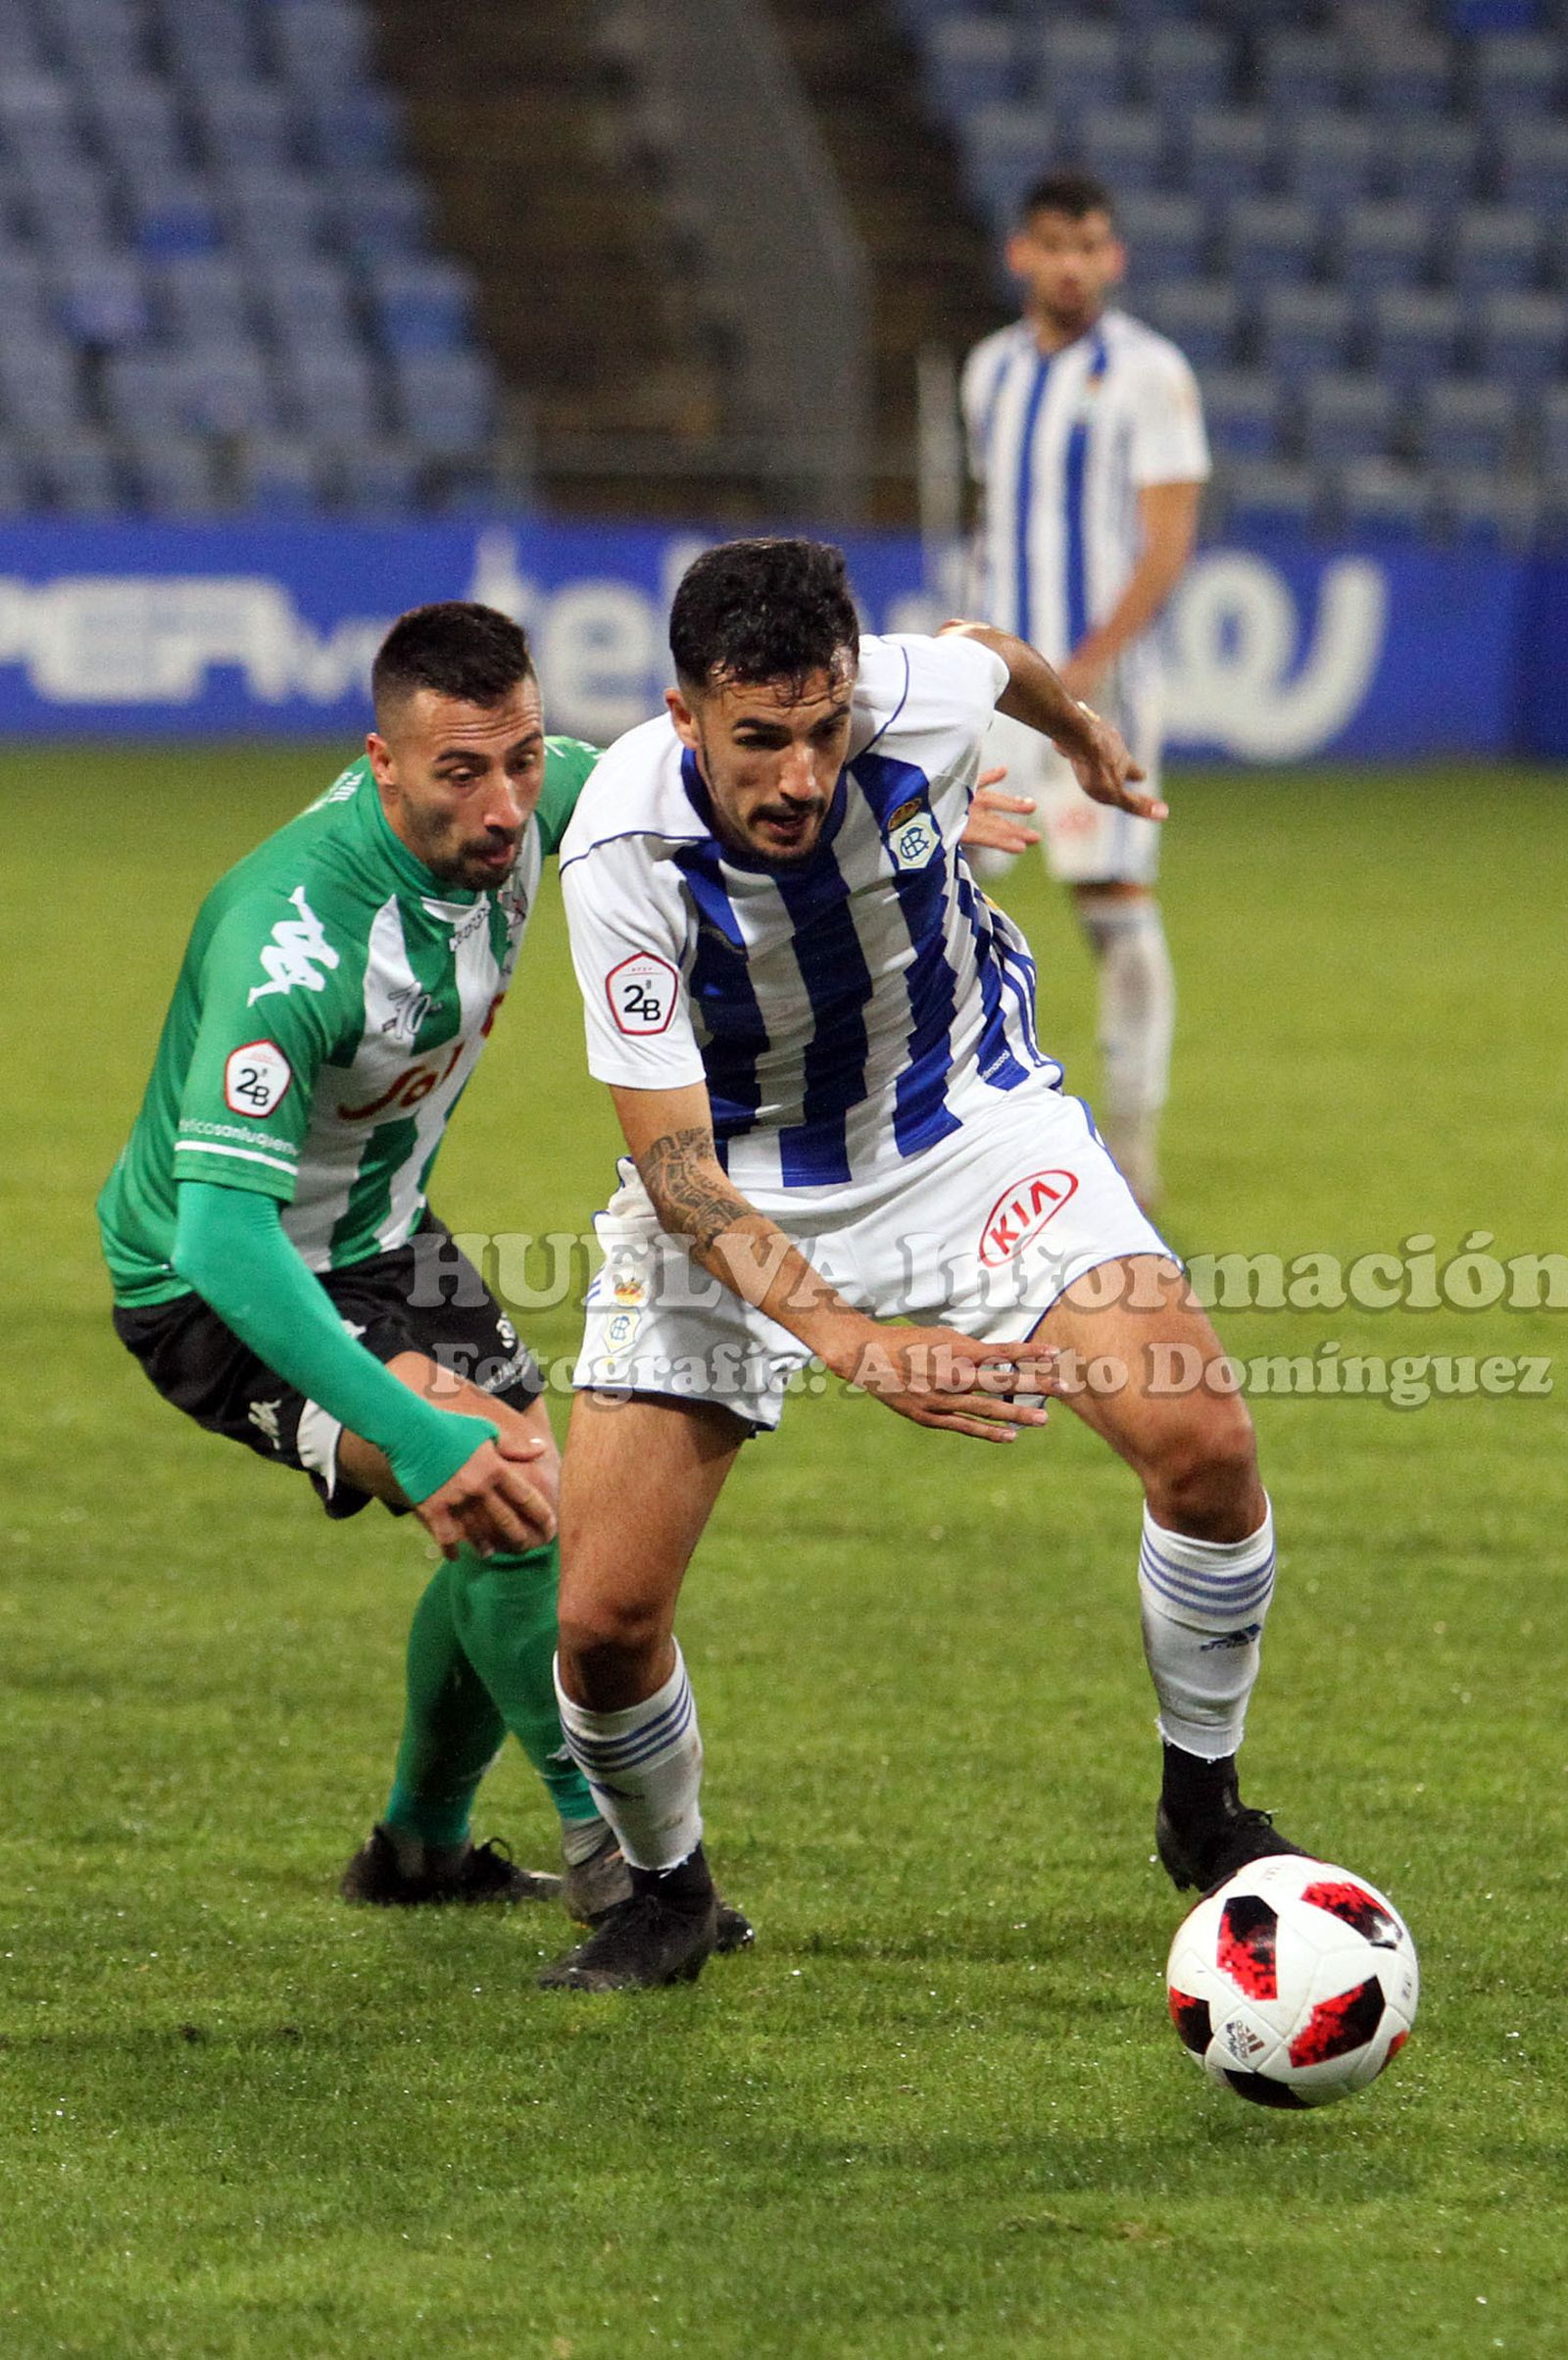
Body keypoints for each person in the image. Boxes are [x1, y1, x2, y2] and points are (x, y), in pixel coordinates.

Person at [96, 597, 1026, 1935]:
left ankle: (419, 1849)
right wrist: (410, 1436)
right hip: (213, 1284)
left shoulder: (554, 807)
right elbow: (217, 1234)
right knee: (510, 1491)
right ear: (383, 764)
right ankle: (620, 1859)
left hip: (384, 1234)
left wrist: (893, 836)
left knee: (513, 1518)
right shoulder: (286, 941)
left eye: (522, 759)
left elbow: (699, 793)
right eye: (460, 773)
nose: (502, 805)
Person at [538, 536, 1305, 1994]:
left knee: (1204, 1443)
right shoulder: (621, 850)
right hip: (732, 1171)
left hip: (966, 1124)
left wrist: (1079, 734)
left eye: (825, 731)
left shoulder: (918, 698)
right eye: (756, 740)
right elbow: (677, 1168)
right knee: (602, 1622)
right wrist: (850, 1338)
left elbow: (991, 652)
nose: (800, 775)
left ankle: (1203, 1810)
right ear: (682, 711)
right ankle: (670, 1893)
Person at [961, 168, 1210, 1209]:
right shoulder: (988, 372)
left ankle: (1135, 1150)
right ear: (1022, 254)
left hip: (1097, 687)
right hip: (994, 688)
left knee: (1111, 903)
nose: (1073, 265)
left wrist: (1087, 665)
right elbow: (994, 523)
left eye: (1092, 246)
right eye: (1055, 246)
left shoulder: (1150, 372)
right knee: (944, 884)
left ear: (1112, 258)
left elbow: (1165, 539)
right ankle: (954, 1125)